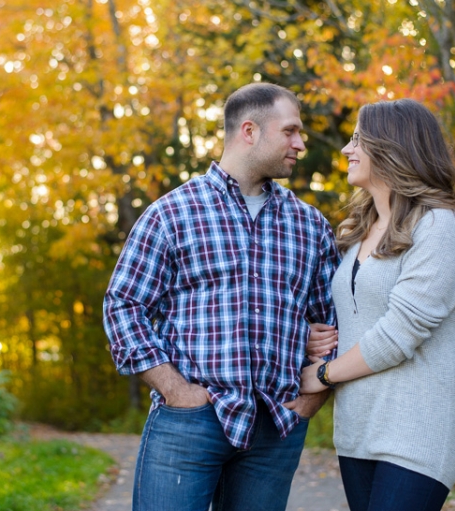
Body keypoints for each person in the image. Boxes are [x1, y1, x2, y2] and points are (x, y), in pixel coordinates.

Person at [103, 82, 338, 511]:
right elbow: (123, 304)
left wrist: (308, 402)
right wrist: (175, 390)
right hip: (189, 422)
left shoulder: (311, 226)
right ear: (249, 131)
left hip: (276, 426)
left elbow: (334, 325)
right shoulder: (172, 214)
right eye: (290, 131)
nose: (300, 143)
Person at [301, 98, 455, 511]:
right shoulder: (359, 231)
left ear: (393, 146)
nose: (347, 149)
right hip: (358, 429)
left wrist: (322, 374)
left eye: (358, 138)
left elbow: (399, 333)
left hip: (417, 429)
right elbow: (352, 319)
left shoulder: (439, 225)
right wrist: (310, 337)